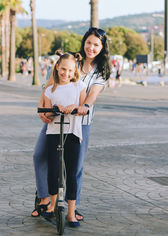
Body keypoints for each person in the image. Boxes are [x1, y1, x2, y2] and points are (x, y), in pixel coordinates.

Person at [32, 27, 111, 220]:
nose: (91, 47)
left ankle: (71, 207)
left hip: (80, 121)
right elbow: (51, 82)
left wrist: (84, 106)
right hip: (56, 118)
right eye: (89, 43)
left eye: (96, 44)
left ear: (102, 47)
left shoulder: (102, 70)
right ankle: (44, 199)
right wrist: (43, 104)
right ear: (84, 42)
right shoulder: (73, 59)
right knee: (39, 155)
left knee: (75, 167)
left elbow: (93, 94)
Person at [42, 52, 86, 227]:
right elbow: (45, 113)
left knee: (71, 172)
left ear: (74, 71)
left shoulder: (78, 87)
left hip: (72, 134)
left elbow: (84, 107)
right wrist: (55, 109)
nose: (66, 73)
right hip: (53, 133)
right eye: (63, 69)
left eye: (69, 70)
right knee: (53, 169)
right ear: (57, 68)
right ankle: (53, 204)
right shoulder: (49, 90)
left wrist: (74, 107)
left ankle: (71, 212)